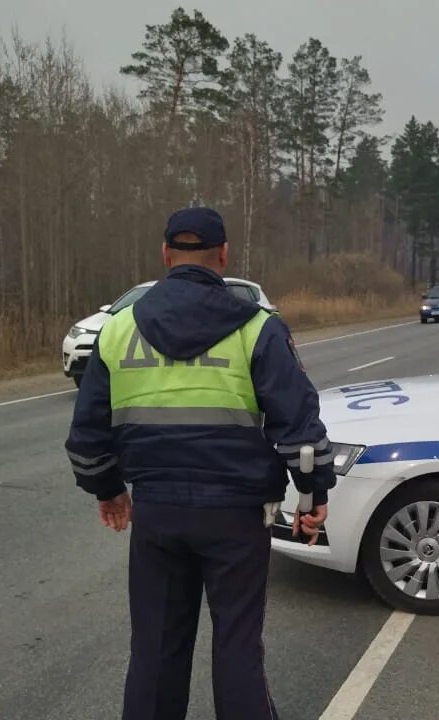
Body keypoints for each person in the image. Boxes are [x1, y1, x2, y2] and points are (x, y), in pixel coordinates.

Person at [65, 206, 335, 720]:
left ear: (165, 256)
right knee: (237, 646)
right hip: (236, 516)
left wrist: (108, 489)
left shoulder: (118, 330)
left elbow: (86, 435)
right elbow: (298, 429)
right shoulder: (258, 328)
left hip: (157, 515)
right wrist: (313, 493)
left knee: (156, 650)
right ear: (225, 256)